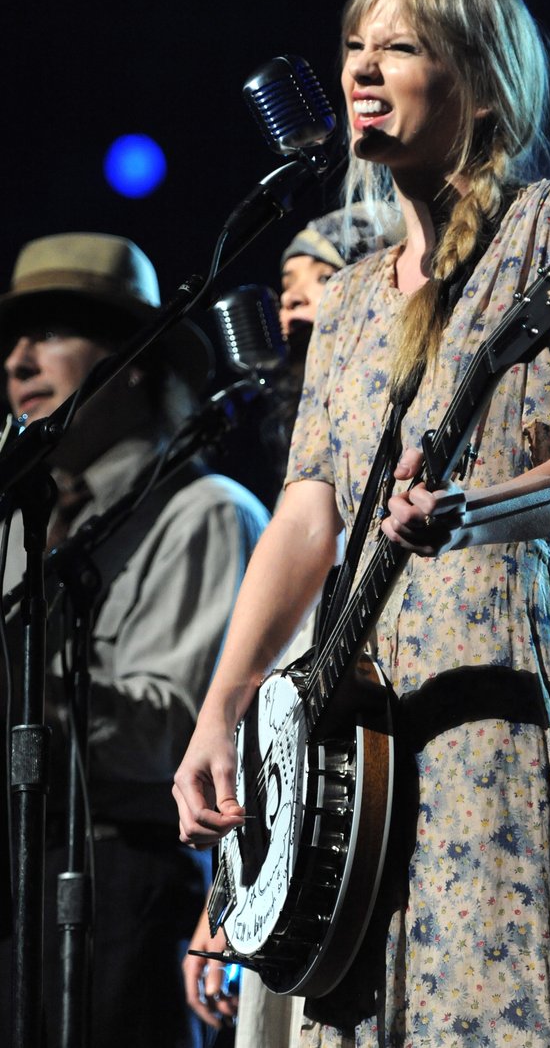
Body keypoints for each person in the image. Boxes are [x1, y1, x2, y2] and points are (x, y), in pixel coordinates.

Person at [173, 0, 550, 1047]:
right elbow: (306, 514)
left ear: (478, 82)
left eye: (399, 47)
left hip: (489, 675)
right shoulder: (344, 303)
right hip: (354, 715)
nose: (362, 70)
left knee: (495, 994)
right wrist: (221, 709)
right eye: (354, 46)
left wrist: (470, 515)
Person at [0, 232, 268, 1047]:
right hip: (18, 871)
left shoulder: (206, 511)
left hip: (127, 875)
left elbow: (173, 743)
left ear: (135, 360)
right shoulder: (21, 518)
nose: (16, 363)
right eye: (13, 339)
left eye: (50, 334)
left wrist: (23, 682)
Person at [183, 208, 400, 1043]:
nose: (297, 304)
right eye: (286, 287)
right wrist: (226, 900)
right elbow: (274, 743)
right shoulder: (297, 493)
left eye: (324, 279)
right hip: (290, 830)